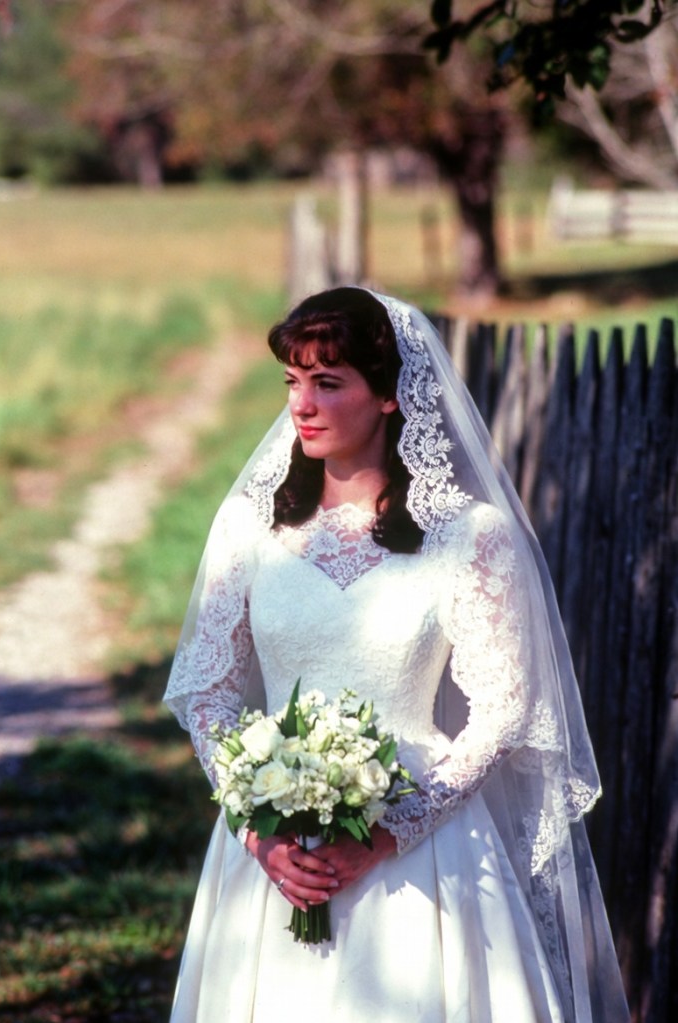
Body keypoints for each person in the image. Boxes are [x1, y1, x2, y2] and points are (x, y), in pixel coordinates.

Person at [163, 288, 629, 1023]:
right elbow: (210, 692)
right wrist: (256, 829)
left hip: (425, 852)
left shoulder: (470, 536)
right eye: (292, 380)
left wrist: (386, 834)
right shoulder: (246, 529)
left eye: (328, 382)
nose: (302, 405)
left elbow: (502, 709)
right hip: (273, 855)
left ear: (388, 394)